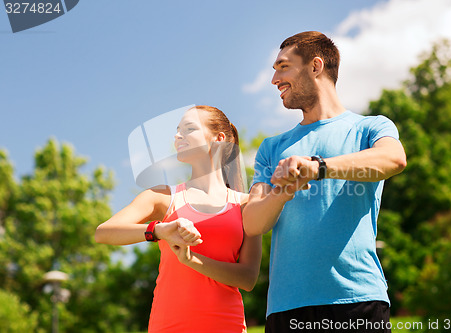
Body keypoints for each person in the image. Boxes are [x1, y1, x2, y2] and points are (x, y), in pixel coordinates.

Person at [243, 31, 407, 332]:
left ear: (315, 66)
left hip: (357, 301)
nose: (274, 80)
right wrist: (282, 192)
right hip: (286, 309)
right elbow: (252, 223)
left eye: (283, 67)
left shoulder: (370, 127)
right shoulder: (271, 147)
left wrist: (317, 168)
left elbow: (393, 160)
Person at [95, 105, 262, 333]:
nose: (177, 136)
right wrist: (159, 230)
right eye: (177, 130)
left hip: (227, 325)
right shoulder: (163, 197)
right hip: (169, 326)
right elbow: (104, 232)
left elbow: (248, 278)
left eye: (189, 128)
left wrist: (192, 260)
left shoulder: (246, 204)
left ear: (218, 138)